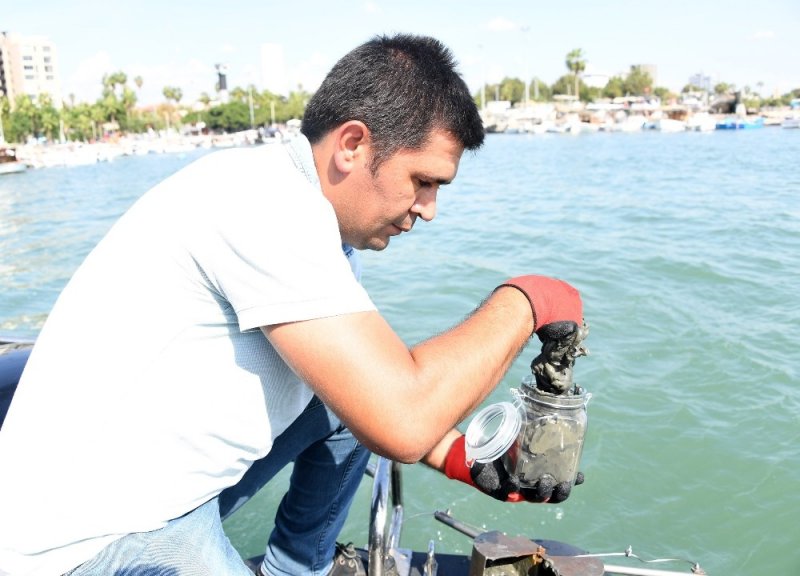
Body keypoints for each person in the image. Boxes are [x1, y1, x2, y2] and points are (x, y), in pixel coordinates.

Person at [0, 34, 583, 576]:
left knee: (349, 405)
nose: (428, 208)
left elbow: (371, 391)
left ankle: (295, 568)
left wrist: (464, 459)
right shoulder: (265, 206)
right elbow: (402, 417)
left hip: (160, 482)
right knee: (378, 407)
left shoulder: (310, 215)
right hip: (94, 533)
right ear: (353, 144)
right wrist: (529, 299)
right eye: (423, 181)